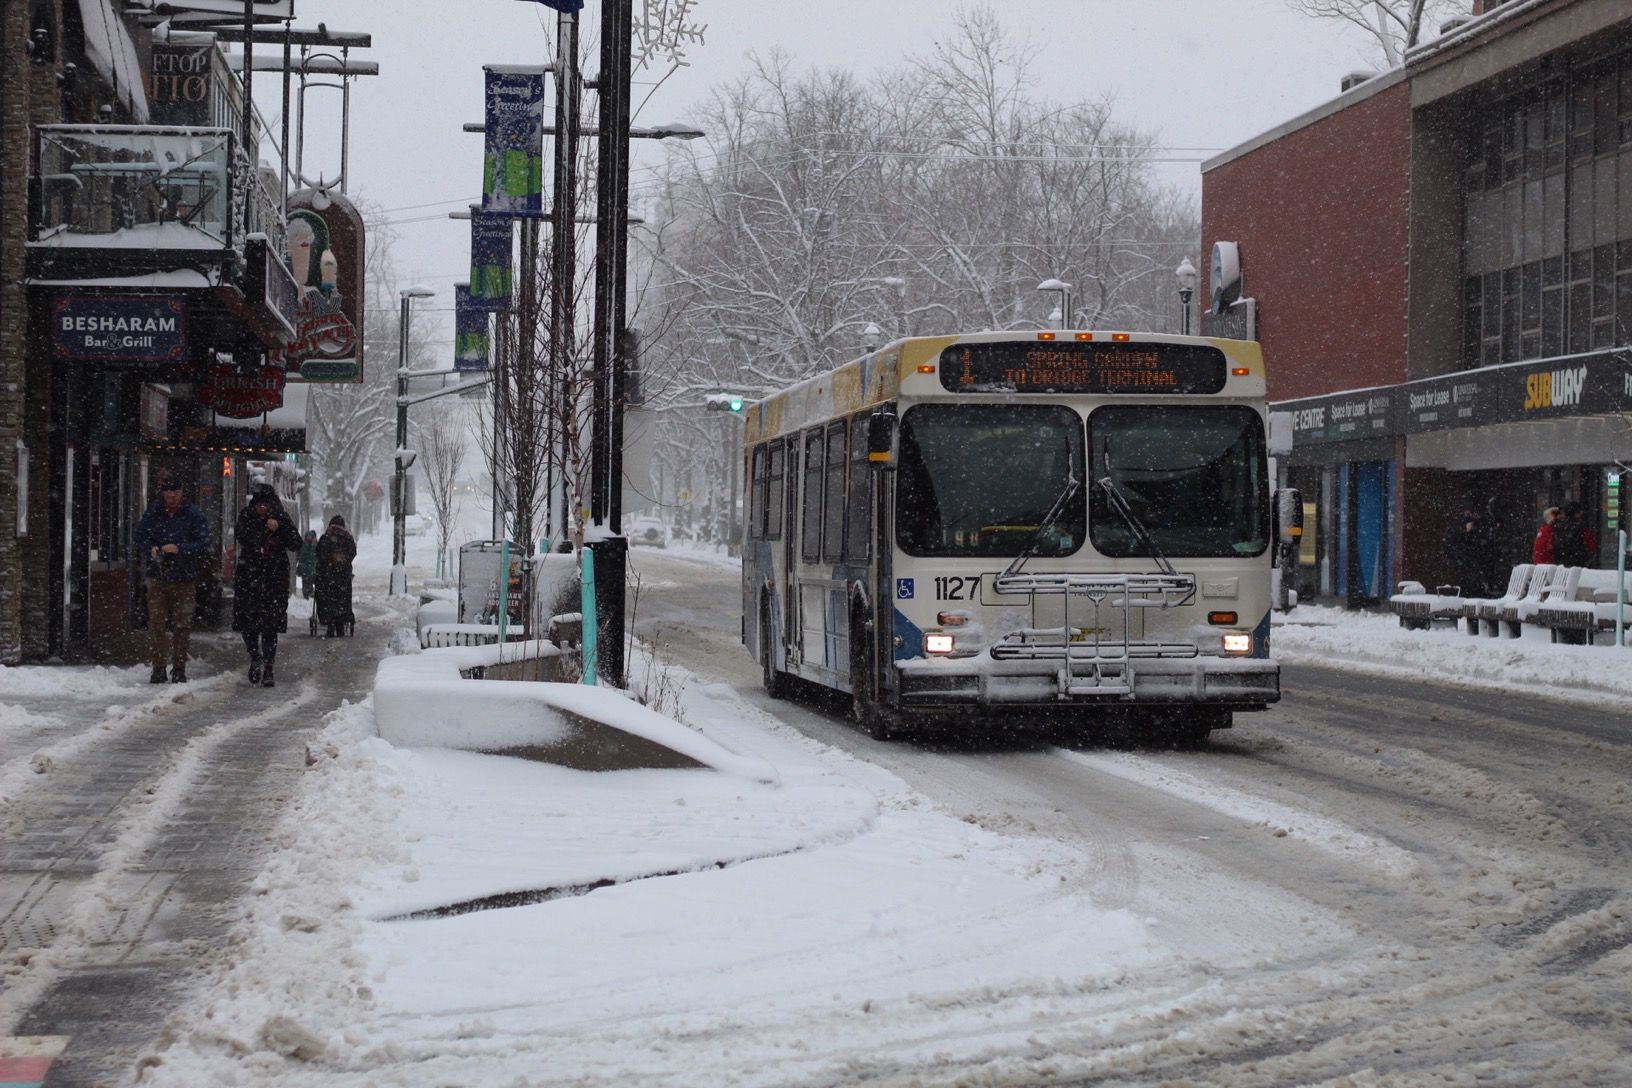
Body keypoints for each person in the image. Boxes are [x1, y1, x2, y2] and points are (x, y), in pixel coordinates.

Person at [135, 472, 211, 684]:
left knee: (182, 625)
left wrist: (180, 549)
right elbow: (141, 536)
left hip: (184, 577)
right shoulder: (154, 512)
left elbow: (204, 541)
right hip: (157, 575)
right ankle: (158, 666)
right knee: (156, 623)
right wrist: (150, 548)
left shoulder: (193, 513)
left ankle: (179, 667)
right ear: (162, 494)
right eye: (168, 495)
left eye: (175, 494)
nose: (171, 498)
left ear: (181, 493)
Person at [233, 483, 302, 687]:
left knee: (270, 626)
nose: (262, 509)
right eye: (259, 505)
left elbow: (295, 542)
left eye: (266, 505)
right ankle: (255, 655)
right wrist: (263, 532)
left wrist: (279, 528)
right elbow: (242, 535)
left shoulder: (281, 518)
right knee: (248, 623)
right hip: (250, 578)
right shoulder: (247, 517)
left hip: (274, 580)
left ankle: (269, 667)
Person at [314, 515, 357, 637]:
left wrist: (328, 562)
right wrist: (344, 561)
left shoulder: (326, 537)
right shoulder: (347, 538)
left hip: (327, 575)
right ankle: (341, 623)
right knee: (342, 599)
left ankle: (330, 624)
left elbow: (319, 553)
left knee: (327, 599)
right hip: (343, 575)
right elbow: (353, 552)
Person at [1442, 507, 1489, 598]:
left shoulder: (1475, 530)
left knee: (1471, 582)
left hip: (1471, 563)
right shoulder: (1458, 532)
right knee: (1468, 583)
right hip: (1466, 563)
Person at [1550, 501, 1597, 568]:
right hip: (1578, 563)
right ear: (1577, 513)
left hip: (1561, 564)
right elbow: (1591, 546)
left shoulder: (1557, 527)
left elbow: (1553, 544)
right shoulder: (1582, 527)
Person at [296, 530, 319, 600]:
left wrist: (313, 545)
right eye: (308, 536)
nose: (309, 537)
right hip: (304, 568)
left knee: (310, 581)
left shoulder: (315, 545)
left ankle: (309, 593)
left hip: (311, 568)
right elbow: (300, 555)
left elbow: (313, 556)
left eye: (310, 536)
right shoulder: (303, 545)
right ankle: (306, 594)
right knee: (305, 581)